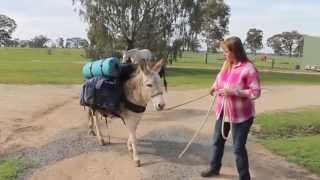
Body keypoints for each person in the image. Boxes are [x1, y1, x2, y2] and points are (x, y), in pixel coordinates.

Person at [201, 36, 261, 180]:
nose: (224, 54)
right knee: (217, 142)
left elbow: (255, 92)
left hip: (241, 116)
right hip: (223, 111)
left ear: (235, 51)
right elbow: (220, 80)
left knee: (238, 148)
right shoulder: (227, 65)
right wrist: (213, 87)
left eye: (226, 51)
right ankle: (214, 168)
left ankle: (244, 177)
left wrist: (234, 92)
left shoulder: (248, 68)